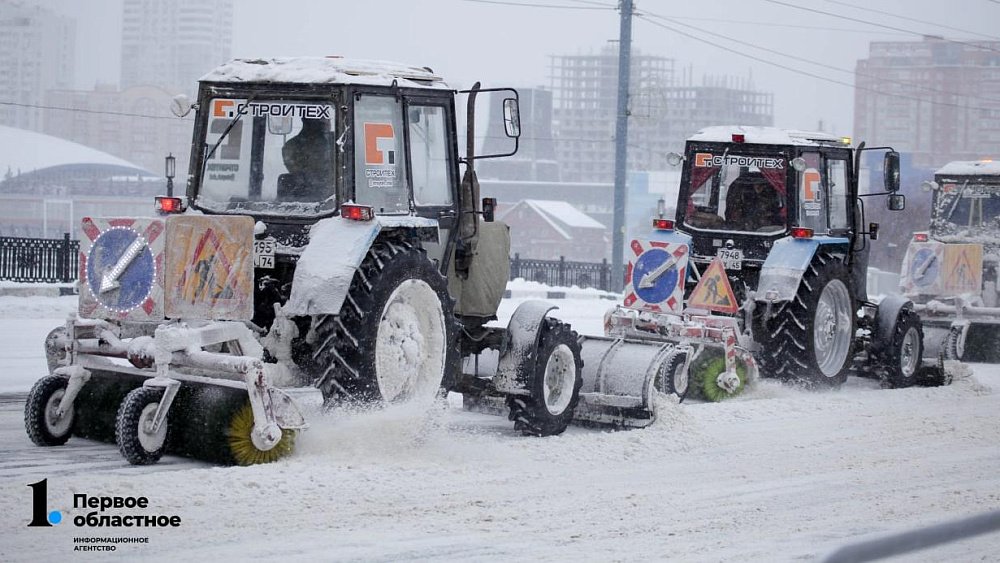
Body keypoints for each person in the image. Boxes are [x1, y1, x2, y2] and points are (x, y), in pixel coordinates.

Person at [280, 117, 334, 200]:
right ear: (308, 122)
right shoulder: (292, 146)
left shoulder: (337, 141)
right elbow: (296, 170)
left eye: (327, 119)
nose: (327, 123)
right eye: (321, 121)